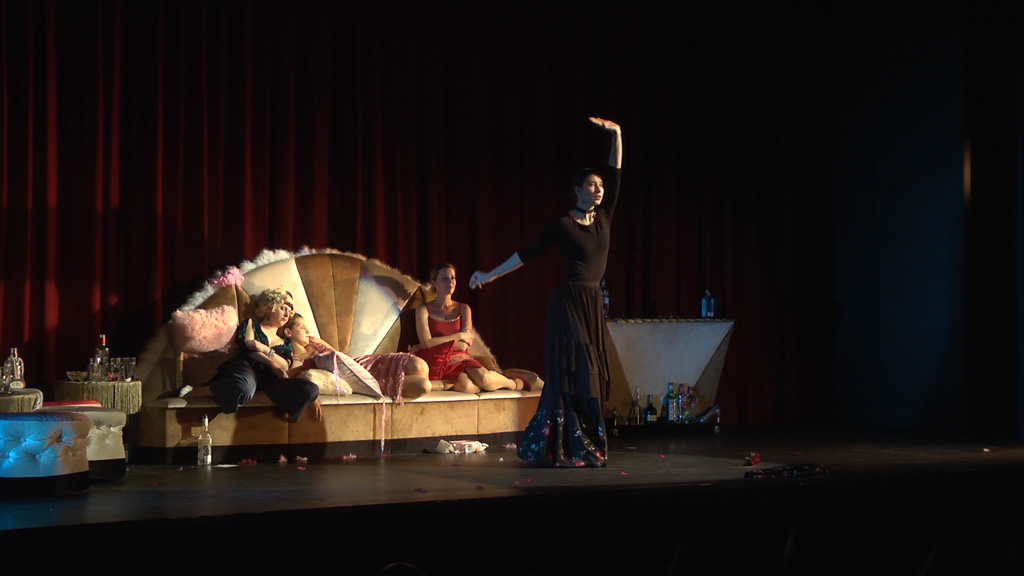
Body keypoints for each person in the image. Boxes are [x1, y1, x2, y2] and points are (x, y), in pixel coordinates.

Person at [469, 117, 622, 467]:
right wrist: (490, 274)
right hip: (568, 303)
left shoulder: (604, 217)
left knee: (589, 371)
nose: (598, 189)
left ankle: (582, 442)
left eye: (600, 185)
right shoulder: (563, 224)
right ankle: (564, 443)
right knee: (574, 367)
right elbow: (527, 254)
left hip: (592, 302)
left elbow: (616, 171)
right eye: (591, 185)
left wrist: (616, 134)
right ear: (577, 190)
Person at [206, 287, 322, 422]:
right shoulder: (252, 323)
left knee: (311, 389)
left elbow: (285, 365)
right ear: (269, 308)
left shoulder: (286, 342)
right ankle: (203, 391)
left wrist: (266, 350)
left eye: (290, 312)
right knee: (243, 387)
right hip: (246, 368)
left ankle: (252, 395)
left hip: (270, 379)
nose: (287, 314)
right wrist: (273, 363)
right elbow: (247, 347)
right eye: (283, 308)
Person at [414, 262, 523, 394]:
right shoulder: (423, 309)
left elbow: (462, 346)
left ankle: (514, 383)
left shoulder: (463, 309)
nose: (450, 282)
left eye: (453, 278)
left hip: (460, 357)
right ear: (433, 282)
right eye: (444, 278)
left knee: (484, 378)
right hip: (436, 359)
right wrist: (459, 335)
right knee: (466, 386)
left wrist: (435, 343)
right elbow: (426, 343)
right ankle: (480, 384)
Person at [279, 312, 434, 400]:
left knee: (419, 365)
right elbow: (290, 378)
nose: (307, 330)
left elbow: (339, 354)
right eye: (302, 327)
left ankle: (442, 384)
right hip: (360, 377)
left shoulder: (314, 340)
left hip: (363, 363)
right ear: (288, 332)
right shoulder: (295, 359)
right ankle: (440, 385)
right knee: (423, 385)